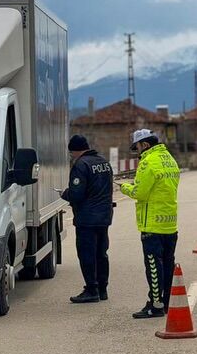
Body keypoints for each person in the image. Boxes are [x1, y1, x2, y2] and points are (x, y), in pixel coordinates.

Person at [119, 128, 181, 319]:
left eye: (137, 147)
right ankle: (167, 302)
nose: (137, 152)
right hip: (170, 223)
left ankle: (155, 305)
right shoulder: (169, 159)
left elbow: (140, 193)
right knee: (168, 265)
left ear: (145, 145)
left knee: (154, 267)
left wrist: (124, 187)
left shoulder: (148, 162)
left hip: (152, 224)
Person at [60, 135, 114, 304]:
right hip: (104, 216)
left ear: (75, 150)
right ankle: (102, 289)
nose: (71, 156)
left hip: (87, 218)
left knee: (87, 255)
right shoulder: (104, 162)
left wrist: (64, 193)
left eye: (71, 153)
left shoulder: (81, 165)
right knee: (101, 253)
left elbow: (76, 194)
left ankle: (91, 289)